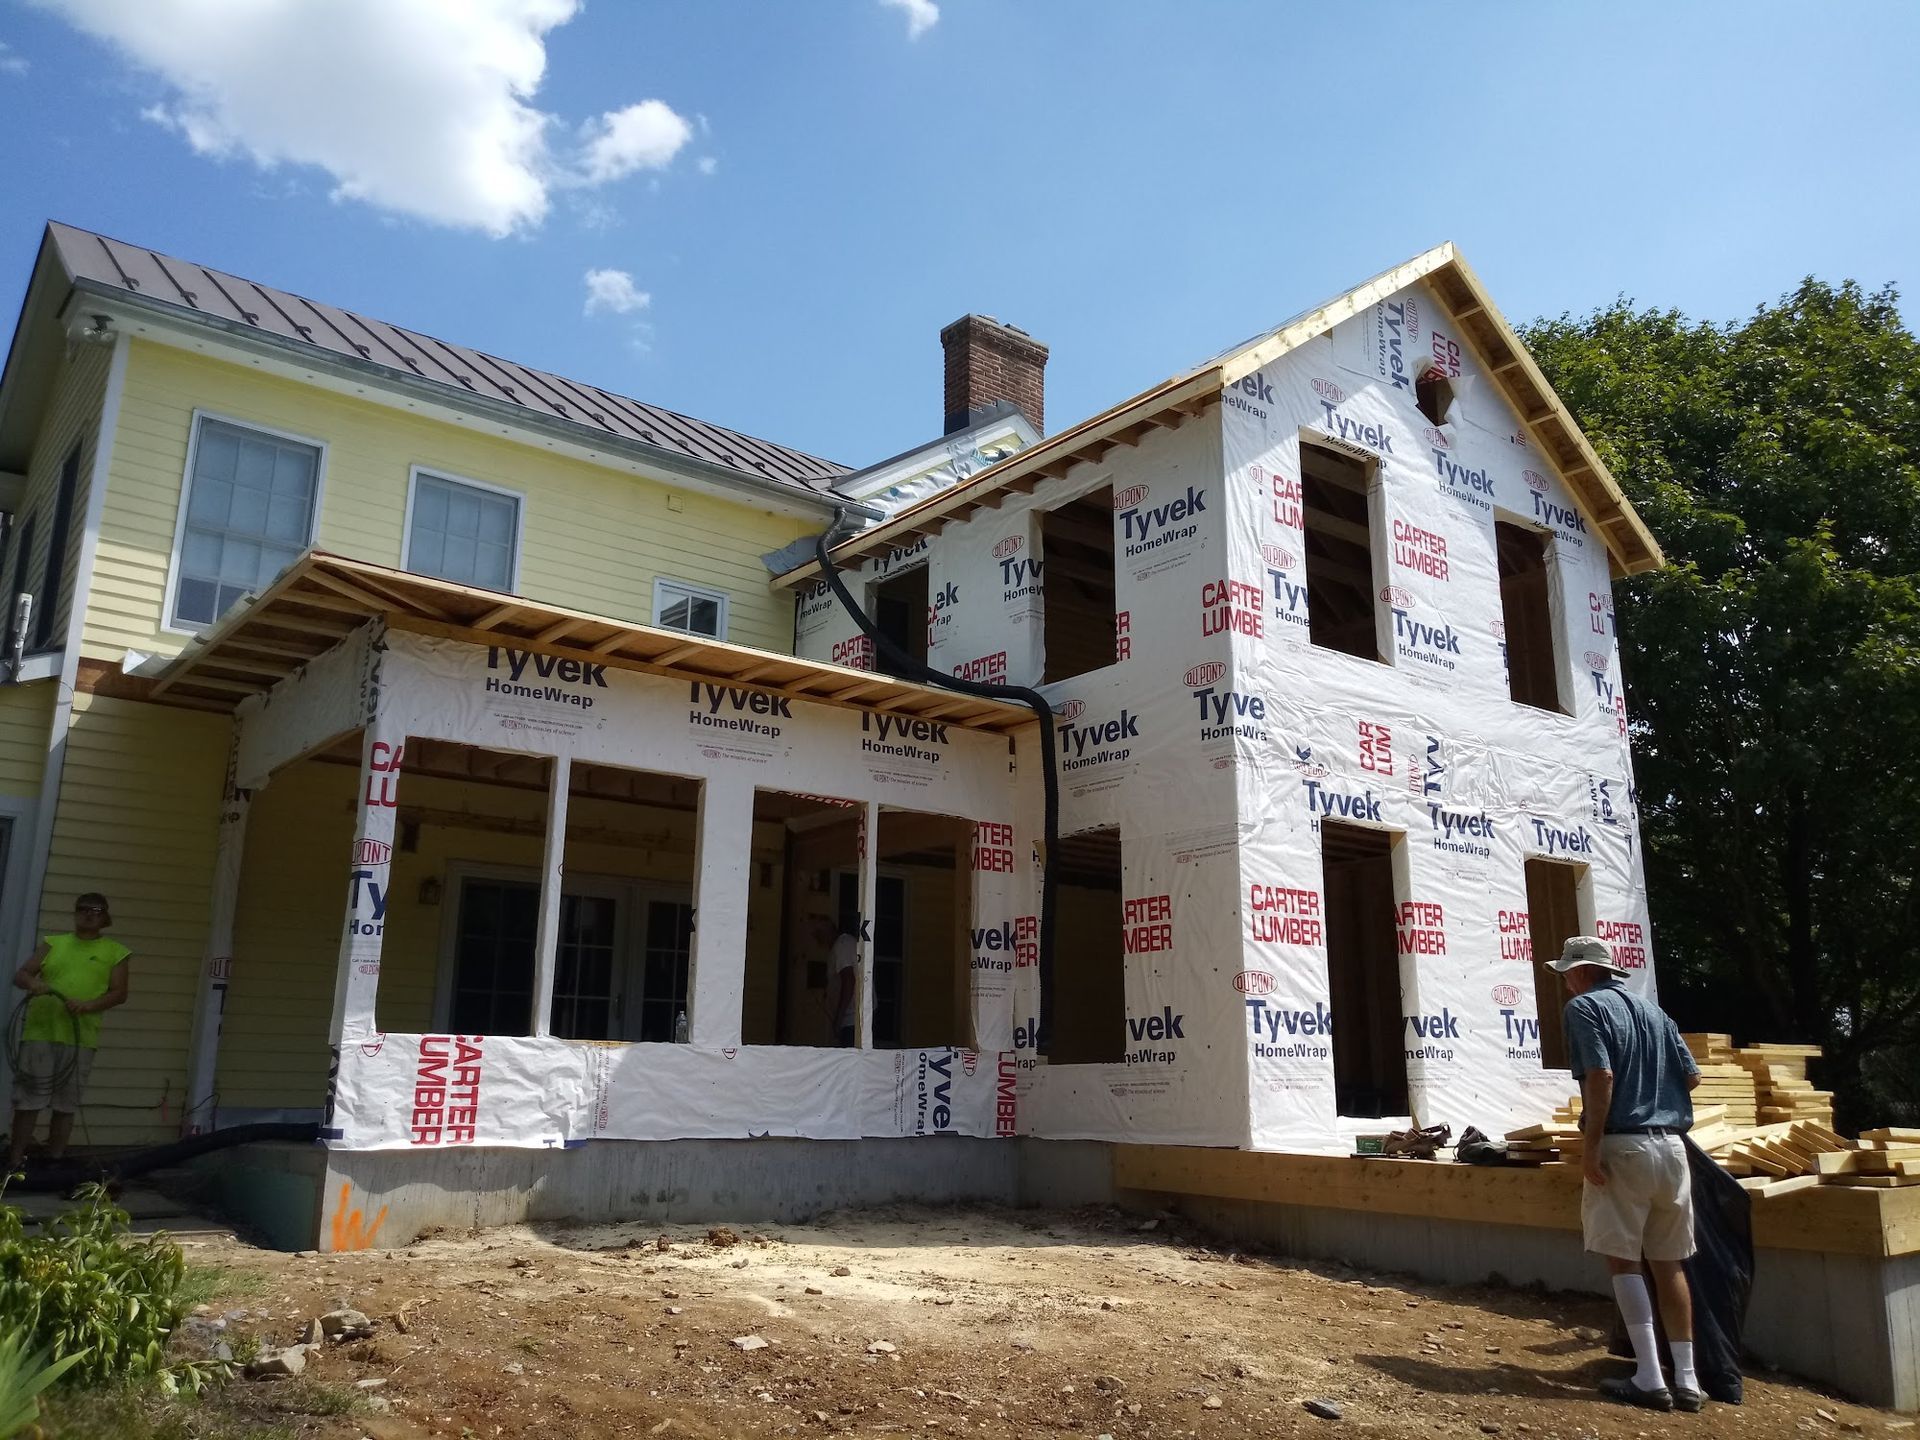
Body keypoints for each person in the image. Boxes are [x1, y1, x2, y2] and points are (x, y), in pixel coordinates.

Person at [1552, 934, 1704, 1413]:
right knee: (1669, 1263)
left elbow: (1600, 1076)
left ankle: (1649, 1376)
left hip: (1625, 1145)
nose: (1566, 983)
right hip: (1673, 1148)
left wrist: (1591, 1147)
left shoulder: (1585, 1009)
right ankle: (1688, 1379)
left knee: (1623, 1259)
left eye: (1566, 974)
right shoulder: (1653, 1012)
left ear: (1579, 972)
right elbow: (1693, 1075)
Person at [8, 893, 131, 1170]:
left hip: (80, 1037)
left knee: (66, 1104)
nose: (88, 914)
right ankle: (15, 1161)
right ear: (75, 913)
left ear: (105, 917)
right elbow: (21, 975)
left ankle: (54, 1162)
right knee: (29, 1100)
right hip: (40, 1032)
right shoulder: (53, 944)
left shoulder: (116, 952)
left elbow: (119, 993)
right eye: (83, 909)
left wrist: (89, 1005)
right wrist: (33, 983)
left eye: (96, 910)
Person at [810, 914, 860, 1047]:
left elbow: (849, 980)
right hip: (848, 1020)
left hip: (853, 1021)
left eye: (818, 934)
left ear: (827, 932)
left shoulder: (842, 945)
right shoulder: (838, 947)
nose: (817, 939)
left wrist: (839, 1018)